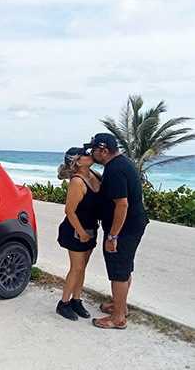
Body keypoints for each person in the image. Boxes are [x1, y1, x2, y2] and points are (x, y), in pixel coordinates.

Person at [83, 133, 149, 329]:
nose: (91, 153)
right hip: (134, 225)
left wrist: (113, 236)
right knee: (125, 266)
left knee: (118, 271)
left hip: (124, 229)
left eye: (93, 150)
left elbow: (122, 205)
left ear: (104, 150)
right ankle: (121, 306)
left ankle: (118, 317)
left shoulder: (115, 171)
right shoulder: (123, 163)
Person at [55, 147, 101, 321]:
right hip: (75, 230)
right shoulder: (77, 182)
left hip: (91, 229)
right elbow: (70, 211)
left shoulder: (95, 174)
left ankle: (76, 300)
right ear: (78, 162)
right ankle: (63, 303)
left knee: (83, 268)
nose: (90, 155)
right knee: (77, 268)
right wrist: (81, 233)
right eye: (86, 154)